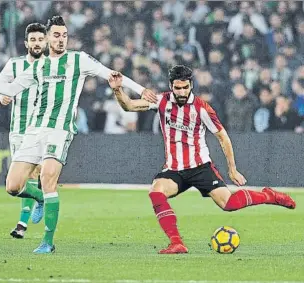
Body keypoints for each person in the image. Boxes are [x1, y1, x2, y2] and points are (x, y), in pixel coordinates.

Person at [0, 16, 155, 254]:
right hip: (34, 130)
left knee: (48, 178)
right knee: (13, 186)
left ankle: (47, 241)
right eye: (56, 35)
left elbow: (112, 74)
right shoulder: (37, 66)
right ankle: (38, 199)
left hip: (60, 130)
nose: (61, 40)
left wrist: (141, 90)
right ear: (48, 38)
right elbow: (10, 90)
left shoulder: (78, 60)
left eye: (64, 35)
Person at [107, 65, 296, 254]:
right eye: (178, 88)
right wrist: (117, 89)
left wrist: (232, 169)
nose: (182, 92)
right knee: (156, 191)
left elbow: (223, 137)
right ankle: (176, 243)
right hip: (174, 170)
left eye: (185, 87)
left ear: (191, 85)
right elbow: (129, 105)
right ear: (171, 86)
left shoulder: (202, 109)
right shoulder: (161, 101)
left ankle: (268, 195)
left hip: (200, 167)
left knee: (228, 204)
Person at [0, 23, 47, 239]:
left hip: (43, 129)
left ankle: (22, 224)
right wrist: (0, 96)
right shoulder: (14, 65)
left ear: (46, 42)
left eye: (40, 39)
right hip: (19, 130)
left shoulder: (52, 66)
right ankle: (41, 198)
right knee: (19, 182)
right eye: (32, 40)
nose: (37, 43)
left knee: (33, 173)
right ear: (26, 43)